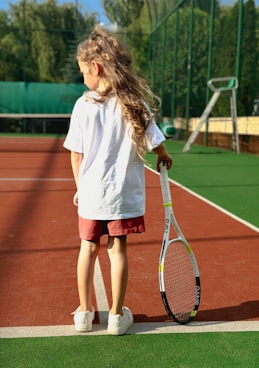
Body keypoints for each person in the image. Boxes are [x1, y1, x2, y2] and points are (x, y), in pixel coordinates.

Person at [63, 26, 173, 336]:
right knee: (117, 251)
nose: (83, 77)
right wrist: (164, 155)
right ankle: (115, 317)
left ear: (95, 67)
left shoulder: (84, 104)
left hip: (92, 195)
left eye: (83, 71)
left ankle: (84, 315)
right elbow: (156, 142)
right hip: (122, 196)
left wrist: (79, 188)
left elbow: (75, 154)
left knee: (87, 249)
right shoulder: (134, 100)